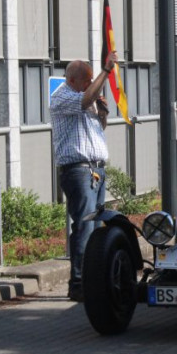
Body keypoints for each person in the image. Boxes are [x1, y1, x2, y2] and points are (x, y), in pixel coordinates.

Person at [50, 51, 119, 302]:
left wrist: (102, 113)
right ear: (73, 80)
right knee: (84, 225)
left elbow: (97, 129)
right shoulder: (63, 97)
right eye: (87, 80)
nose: (91, 84)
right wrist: (106, 71)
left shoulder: (85, 97)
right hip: (79, 170)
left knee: (95, 225)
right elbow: (83, 101)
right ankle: (78, 282)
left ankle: (92, 277)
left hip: (97, 169)